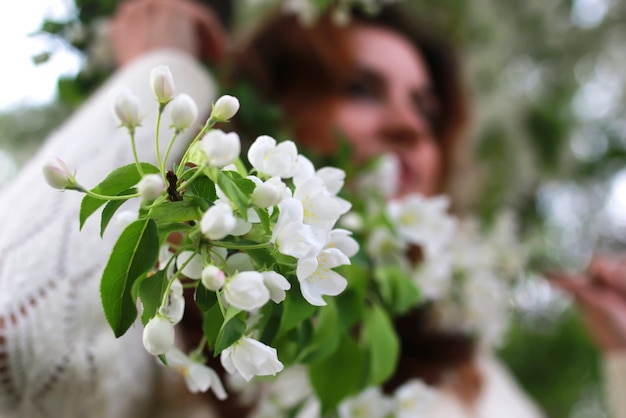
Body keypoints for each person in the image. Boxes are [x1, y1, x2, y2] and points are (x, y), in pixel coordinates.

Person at [0, 1, 624, 418]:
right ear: (271, 109)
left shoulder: (462, 366)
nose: (411, 127)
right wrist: (170, 71)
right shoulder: (178, 310)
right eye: (360, 88)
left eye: (428, 111)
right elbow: (14, 340)